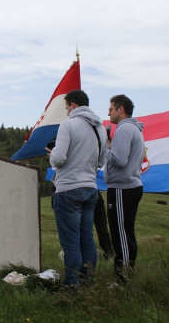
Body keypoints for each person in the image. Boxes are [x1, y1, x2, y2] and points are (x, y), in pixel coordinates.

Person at [47, 90, 107, 288]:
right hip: (91, 188)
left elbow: (58, 158)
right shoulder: (100, 127)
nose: (66, 112)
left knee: (71, 242)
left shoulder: (68, 125)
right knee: (87, 239)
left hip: (68, 189)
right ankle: (88, 282)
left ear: (72, 105)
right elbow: (101, 160)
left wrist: (52, 151)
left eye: (66, 108)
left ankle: (71, 286)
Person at [105, 94, 144, 285]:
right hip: (131, 185)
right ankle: (129, 272)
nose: (109, 113)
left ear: (121, 109)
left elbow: (119, 160)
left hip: (122, 187)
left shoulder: (124, 129)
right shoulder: (133, 128)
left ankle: (122, 278)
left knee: (119, 232)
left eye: (111, 109)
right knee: (127, 230)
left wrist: (105, 150)